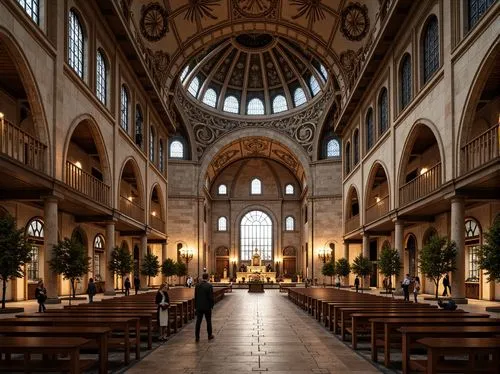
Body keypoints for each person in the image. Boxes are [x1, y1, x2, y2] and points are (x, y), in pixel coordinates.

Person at [195, 272, 214, 342]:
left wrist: (195, 306)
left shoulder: (197, 285)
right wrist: (212, 305)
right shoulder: (209, 286)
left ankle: (197, 337)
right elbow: (211, 297)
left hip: (199, 306)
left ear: (202, 277)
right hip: (207, 307)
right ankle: (209, 335)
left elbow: (196, 296)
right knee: (208, 321)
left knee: (198, 322)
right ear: (208, 277)